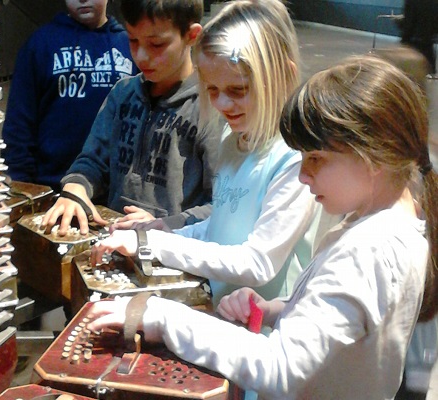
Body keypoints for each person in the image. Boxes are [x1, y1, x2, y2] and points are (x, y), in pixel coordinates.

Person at [86, 54, 438, 399]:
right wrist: (276, 309)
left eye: (316, 159)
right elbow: (347, 322)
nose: (303, 175)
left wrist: (163, 317)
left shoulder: (369, 250)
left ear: (374, 156)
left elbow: (280, 367)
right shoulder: (386, 222)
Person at [91, 0, 321, 306]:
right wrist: (166, 232)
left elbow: (258, 262)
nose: (222, 104)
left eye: (237, 90)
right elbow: (220, 227)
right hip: (225, 313)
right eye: (212, 90)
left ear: (282, 76)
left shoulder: (293, 160)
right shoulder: (233, 137)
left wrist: (152, 246)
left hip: (267, 325)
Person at [41, 0, 223, 236]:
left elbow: (222, 205)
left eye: (156, 44)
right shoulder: (122, 94)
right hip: (116, 239)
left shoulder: (212, 106)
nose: (141, 56)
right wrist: (76, 187)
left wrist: (170, 223)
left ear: (192, 36)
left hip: (173, 248)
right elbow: (93, 161)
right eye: (133, 40)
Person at [1, 0, 138, 191]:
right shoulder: (40, 44)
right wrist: (22, 184)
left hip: (116, 189)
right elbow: (19, 123)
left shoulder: (131, 45)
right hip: (50, 185)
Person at [400, 0, 438, 76]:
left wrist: (404, 37)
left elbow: (409, 22)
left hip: (413, 40)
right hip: (428, 40)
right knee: (428, 70)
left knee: (408, 71)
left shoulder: (411, 1)